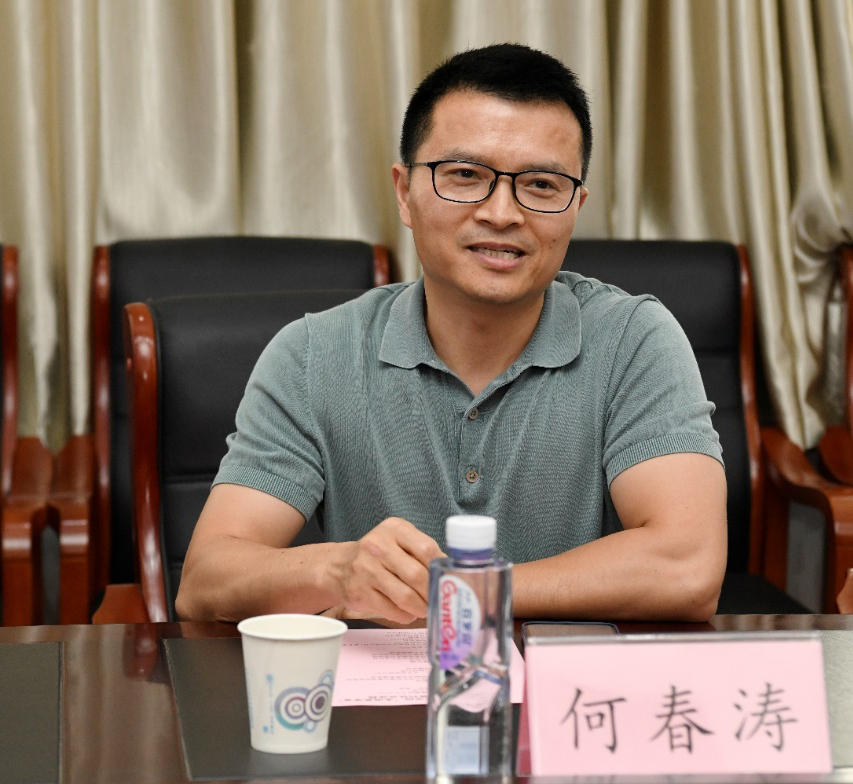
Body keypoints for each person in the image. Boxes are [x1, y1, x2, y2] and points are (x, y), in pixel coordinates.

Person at [175, 43, 727, 625]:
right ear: (404, 191)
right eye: (465, 175)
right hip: (386, 684)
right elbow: (206, 580)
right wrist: (336, 571)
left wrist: (458, 591)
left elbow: (686, 568)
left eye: (542, 184)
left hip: (574, 682)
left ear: (576, 205)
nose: (502, 213)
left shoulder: (634, 340)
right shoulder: (312, 355)